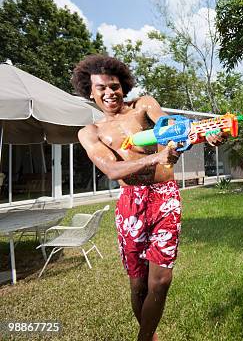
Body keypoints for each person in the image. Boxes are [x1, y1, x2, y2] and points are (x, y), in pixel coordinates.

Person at [71, 55, 227, 341]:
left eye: (114, 86)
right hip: (130, 202)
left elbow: (172, 127)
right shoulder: (90, 132)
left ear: (124, 86)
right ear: (89, 92)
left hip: (164, 196)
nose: (109, 93)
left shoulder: (143, 106)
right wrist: (156, 156)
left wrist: (205, 134)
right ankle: (150, 336)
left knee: (162, 280)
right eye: (101, 88)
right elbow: (110, 168)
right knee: (138, 284)